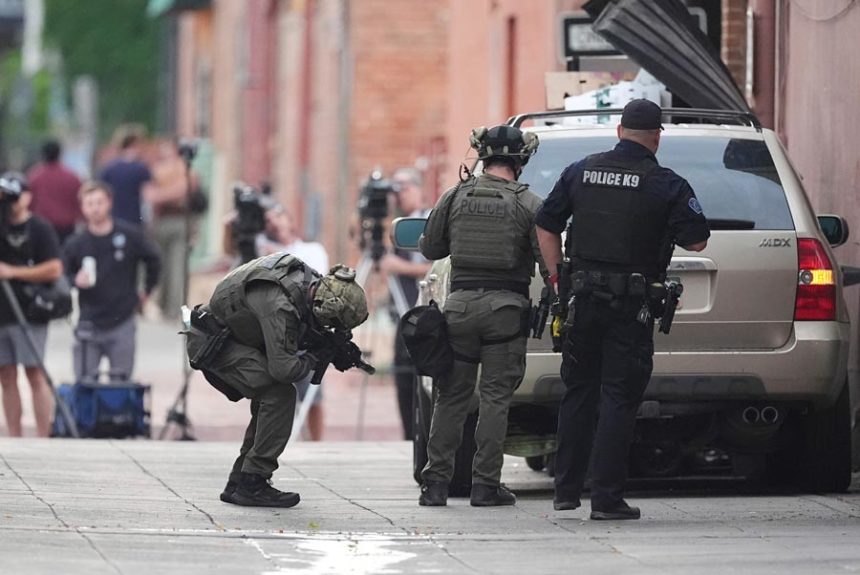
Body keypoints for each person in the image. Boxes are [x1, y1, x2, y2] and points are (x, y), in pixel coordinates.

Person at [535, 99, 710, 520]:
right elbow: (698, 241)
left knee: (578, 389)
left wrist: (559, 279)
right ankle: (607, 499)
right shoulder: (666, 183)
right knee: (618, 395)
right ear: (656, 138)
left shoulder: (580, 171)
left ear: (618, 132)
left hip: (579, 300)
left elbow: (545, 224)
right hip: (630, 306)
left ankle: (566, 490)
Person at [417, 125, 545, 507]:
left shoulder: (455, 196)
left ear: (482, 156)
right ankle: (485, 486)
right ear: (519, 160)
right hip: (506, 310)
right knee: (494, 398)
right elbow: (547, 258)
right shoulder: (528, 202)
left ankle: (435, 485)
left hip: (458, 308)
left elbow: (430, 247)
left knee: (450, 397)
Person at [185, 254, 368, 507]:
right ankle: (253, 481)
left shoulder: (312, 284)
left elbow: (304, 325)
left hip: (233, 337)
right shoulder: (280, 304)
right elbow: (284, 368)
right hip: (213, 344)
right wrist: (315, 356)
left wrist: (330, 344)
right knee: (279, 394)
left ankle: (240, 480)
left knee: (270, 396)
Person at [62, 181, 162, 381]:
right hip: (88, 321)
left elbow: (154, 259)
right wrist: (75, 280)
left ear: (109, 203)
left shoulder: (129, 235)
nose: (95, 208)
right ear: (82, 207)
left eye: (99, 202)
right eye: (89, 203)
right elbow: (62, 274)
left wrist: (146, 291)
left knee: (121, 384)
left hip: (122, 319)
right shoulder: (76, 243)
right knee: (84, 382)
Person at [256, 204, 330, 441]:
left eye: (278, 215)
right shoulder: (259, 251)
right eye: (268, 220)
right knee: (274, 392)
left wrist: (277, 253)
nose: (275, 222)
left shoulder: (311, 249)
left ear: (290, 219)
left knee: (312, 392)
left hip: (305, 326)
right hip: (273, 328)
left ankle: (317, 444)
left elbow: (317, 278)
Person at [0, 172, 63, 437]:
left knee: (34, 373)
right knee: (6, 375)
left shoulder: (39, 228)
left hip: (30, 311)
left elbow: (54, 269)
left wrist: (12, 272)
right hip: (2, 312)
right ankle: (14, 435)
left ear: (27, 196)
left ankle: (42, 435)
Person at [379, 167, 432, 440]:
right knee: (402, 375)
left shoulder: (427, 221)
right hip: (401, 312)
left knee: (419, 373)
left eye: (404, 188)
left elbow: (434, 267)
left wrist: (396, 266)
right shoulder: (395, 223)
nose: (400, 195)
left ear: (418, 188)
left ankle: (422, 432)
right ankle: (408, 434)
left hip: (421, 310)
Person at [143, 139, 200, 320]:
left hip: (179, 219)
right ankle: (166, 305)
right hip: (164, 220)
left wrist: (161, 195)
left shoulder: (181, 168)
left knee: (177, 265)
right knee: (164, 266)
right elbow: (148, 194)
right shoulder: (160, 169)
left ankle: (175, 307)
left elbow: (185, 191)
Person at [27, 139, 83, 244]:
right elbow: (79, 201)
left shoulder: (35, 176)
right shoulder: (72, 177)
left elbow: (29, 203)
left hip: (41, 228)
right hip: (66, 229)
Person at [99, 129, 151, 227]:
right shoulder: (141, 169)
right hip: (135, 220)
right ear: (136, 144)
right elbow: (148, 197)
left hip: (113, 219)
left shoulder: (109, 168)